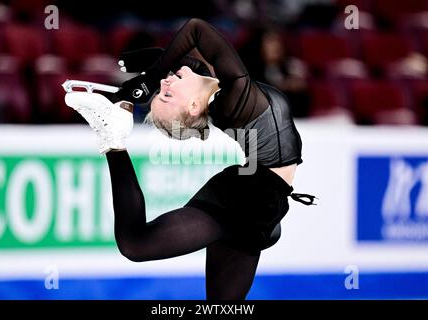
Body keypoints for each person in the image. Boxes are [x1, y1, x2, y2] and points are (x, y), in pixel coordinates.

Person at [66, 18, 315, 300]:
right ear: (195, 106)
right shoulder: (235, 101)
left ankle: (113, 141)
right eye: (167, 93)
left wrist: (155, 62)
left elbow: (191, 66)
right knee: (136, 243)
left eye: (162, 88)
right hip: (248, 197)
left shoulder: (217, 89)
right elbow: (197, 30)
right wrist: (152, 76)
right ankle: (112, 141)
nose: (164, 81)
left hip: (261, 202)